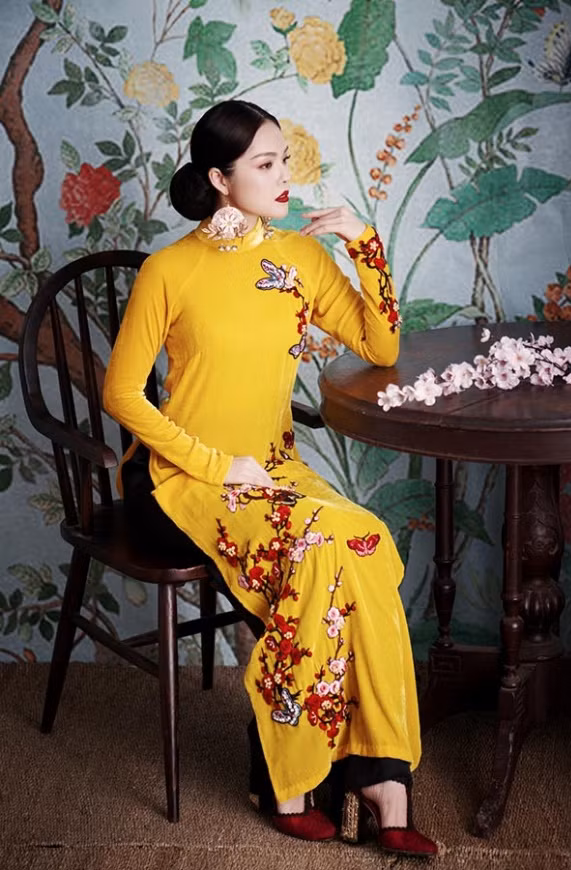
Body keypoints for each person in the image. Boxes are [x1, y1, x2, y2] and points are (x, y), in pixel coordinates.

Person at [103, 99, 437, 857]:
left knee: (360, 540)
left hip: (273, 468)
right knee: (329, 544)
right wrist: (218, 464)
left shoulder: (301, 261)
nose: (285, 175)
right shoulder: (169, 270)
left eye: (284, 158)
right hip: (182, 480)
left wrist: (363, 244)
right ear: (220, 179)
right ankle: (303, 776)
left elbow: (382, 347)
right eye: (264, 163)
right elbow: (121, 394)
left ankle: (375, 775)